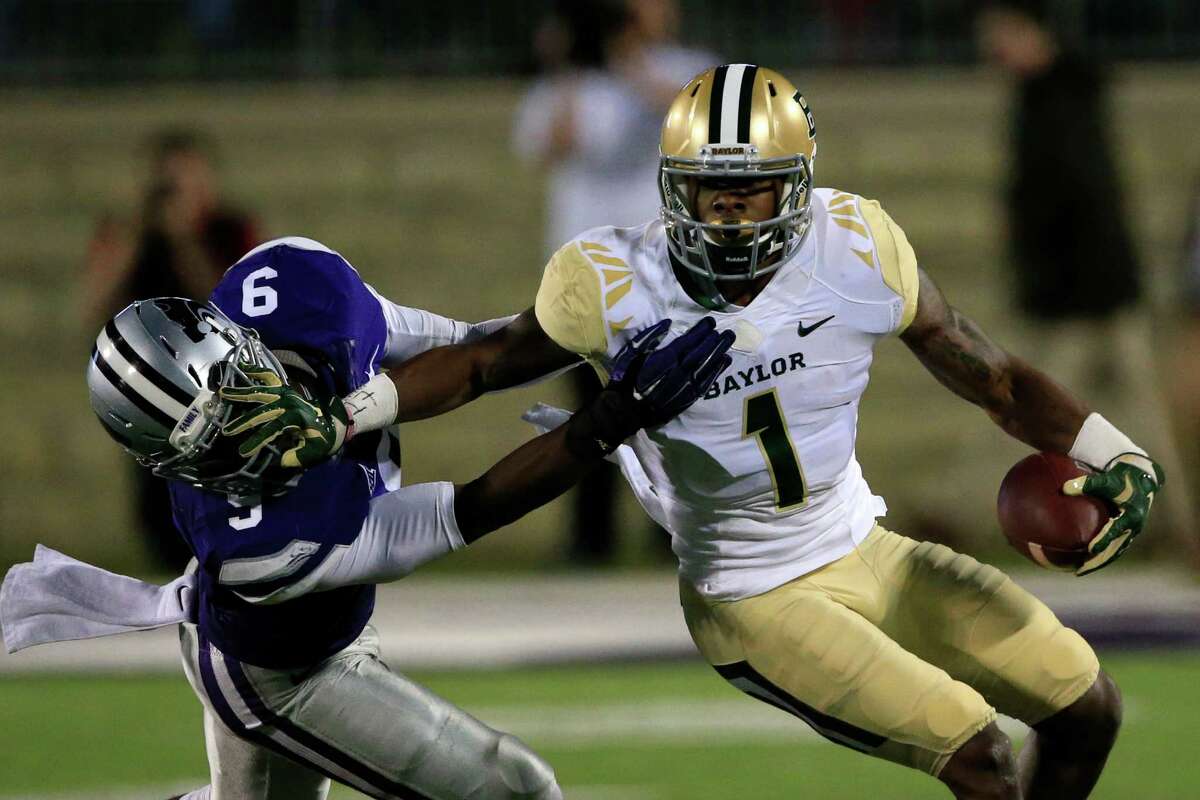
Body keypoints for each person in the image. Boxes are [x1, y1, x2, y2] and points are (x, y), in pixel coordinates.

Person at [239, 65, 1164, 798]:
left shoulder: (859, 244)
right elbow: (486, 362)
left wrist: (1110, 452)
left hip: (864, 545)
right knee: (982, 756)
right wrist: (346, 415)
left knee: (1088, 709)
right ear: (670, 187)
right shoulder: (611, 277)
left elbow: (994, 378)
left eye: (751, 192)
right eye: (708, 191)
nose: (726, 214)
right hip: (752, 593)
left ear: (797, 188)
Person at [67, 237, 732, 800]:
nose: (243, 443)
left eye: (236, 405)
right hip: (280, 678)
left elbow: (479, 353)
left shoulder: (301, 290)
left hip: (304, 628)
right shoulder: (257, 543)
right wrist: (610, 420)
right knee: (513, 789)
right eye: (209, 444)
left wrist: (614, 331)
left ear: (241, 345)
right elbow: (468, 509)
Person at [977, 0, 1195, 561]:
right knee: (1119, 417)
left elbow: (1081, 203)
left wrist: (1066, 287)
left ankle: (1173, 530)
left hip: (1087, 296)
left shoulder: (1061, 101)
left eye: (1001, 30)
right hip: (1087, 291)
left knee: (1034, 409)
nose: (992, 45)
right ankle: (1174, 529)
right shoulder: (1049, 96)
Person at [512, 0, 716, 564]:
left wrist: (630, 63)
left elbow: (694, 125)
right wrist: (567, 69)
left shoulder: (689, 67)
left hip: (662, 270)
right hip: (585, 273)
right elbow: (552, 145)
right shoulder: (571, 84)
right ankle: (589, 541)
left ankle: (675, 534)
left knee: (674, 405)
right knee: (590, 409)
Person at [83, 128, 260, 571]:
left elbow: (233, 306)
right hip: (149, 391)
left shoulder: (229, 229)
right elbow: (94, 307)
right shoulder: (130, 235)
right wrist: (138, 236)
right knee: (156, 507)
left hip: (221, 386)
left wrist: (185, 241)